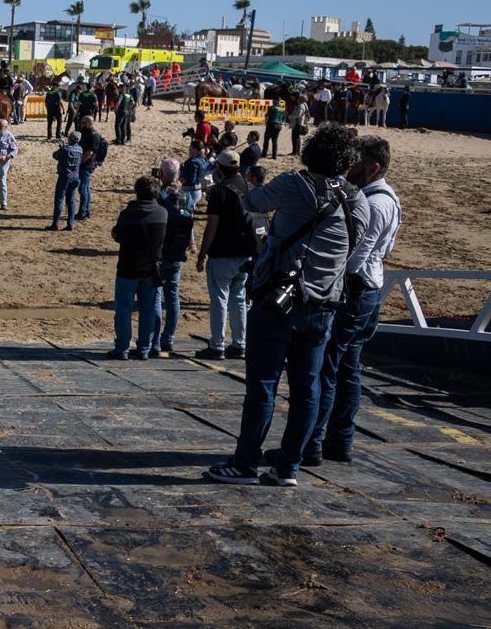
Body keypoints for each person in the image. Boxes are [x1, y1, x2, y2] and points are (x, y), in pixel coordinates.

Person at [205, 125, 367, 487]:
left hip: (280, 298)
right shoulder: (357, 199)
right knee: (307, 388)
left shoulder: (296, 184)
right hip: (324, 302)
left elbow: (252, 202)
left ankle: (246, 463)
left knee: (263, 383)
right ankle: (288, 467)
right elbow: (352, 249)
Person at [305, 135, 401, 465]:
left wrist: (330, 278)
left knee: (328, 369)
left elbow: (357, 255)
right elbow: (384, 250)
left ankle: (314, 442)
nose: (349, 170)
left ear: (372, 168)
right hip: (369, 290)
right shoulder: (389, 198)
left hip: (356, 292)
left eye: (355, 165)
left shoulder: (373, 203)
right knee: (347, 370)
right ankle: (339, 440)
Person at [194, 151, 257, 359]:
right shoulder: (250, 187)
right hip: (246, 252)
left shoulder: (219, 191)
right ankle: (240, 343)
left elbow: (212, 226)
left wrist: (202, 253)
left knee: (219, 299)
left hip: (223, 252)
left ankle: (217, 344)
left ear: (219, 168)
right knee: (239, 299)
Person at [110, 176, 167, 359]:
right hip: (151, 268)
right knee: (148, 310)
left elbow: (119, 235)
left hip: (128, 266)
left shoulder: (128, 214)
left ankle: (122, 348)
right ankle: (144, 348)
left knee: (123, 310)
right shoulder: (162, 213)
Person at [155, 163, 194, 356]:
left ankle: (154, 338)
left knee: (155, 294)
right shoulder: (186, 195)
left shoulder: (159, 195)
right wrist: (191, 243)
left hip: (161, 251)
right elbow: (190, 221)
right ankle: (168, 338)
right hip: (178, 250)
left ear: (162, 174)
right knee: (173, 296)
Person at [51, 130, 83, 231]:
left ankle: (55, 224)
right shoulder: (80, 149)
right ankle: (70, 223)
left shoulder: (66, 149)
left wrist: (63, 146)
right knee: (71, 201)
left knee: (59, 200)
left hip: (65, 176)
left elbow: (55, 155)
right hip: (75, 176)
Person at [75, 120, 108, 221]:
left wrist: (79, 163)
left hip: (87, 165)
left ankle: (83, 212)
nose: (81, 124)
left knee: (83, 188)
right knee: (86, 188)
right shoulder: (86, 133)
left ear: (88, 123)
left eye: (83, 122)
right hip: (87, 164)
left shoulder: (93, 135)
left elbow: (89, 153)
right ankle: (86, 210)